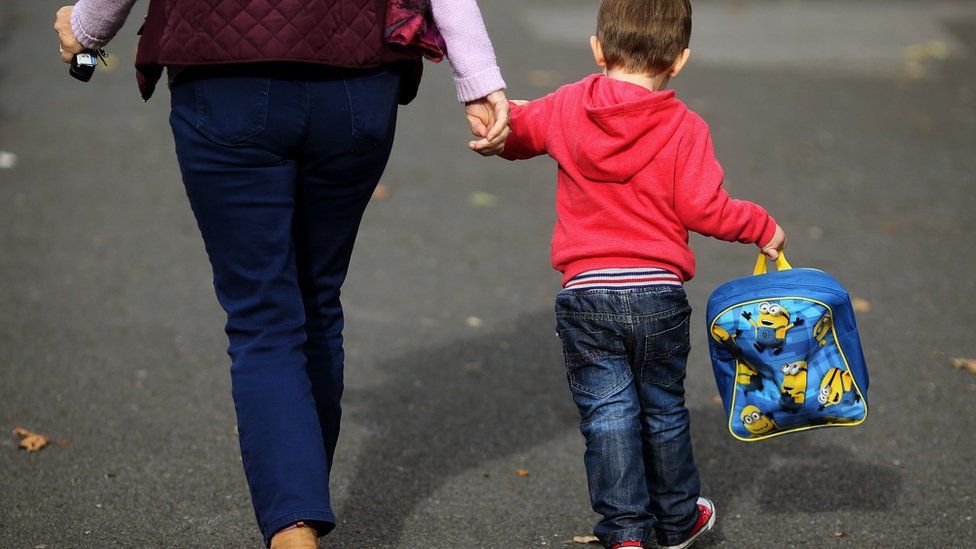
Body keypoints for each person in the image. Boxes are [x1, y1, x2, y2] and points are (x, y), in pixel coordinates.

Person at [54, 1, 509, 547]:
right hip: (357, 78)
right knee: (316, 300)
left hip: (225, 75)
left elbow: (95, 23)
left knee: (263, 315)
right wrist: (478, 77)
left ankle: (293, 529)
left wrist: (87, 27)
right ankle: (299, 514)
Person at [490, 1, 787, 547]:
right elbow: (705, 209)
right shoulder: (685, 127)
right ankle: (676, 520)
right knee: (663, 409)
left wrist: (500, 119)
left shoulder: (567, 105)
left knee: (607, 415)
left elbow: (515, 134)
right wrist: (760, 226)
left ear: (598, 49)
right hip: (658, 294)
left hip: (588, 294)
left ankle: (625, 532)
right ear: (679, 61)